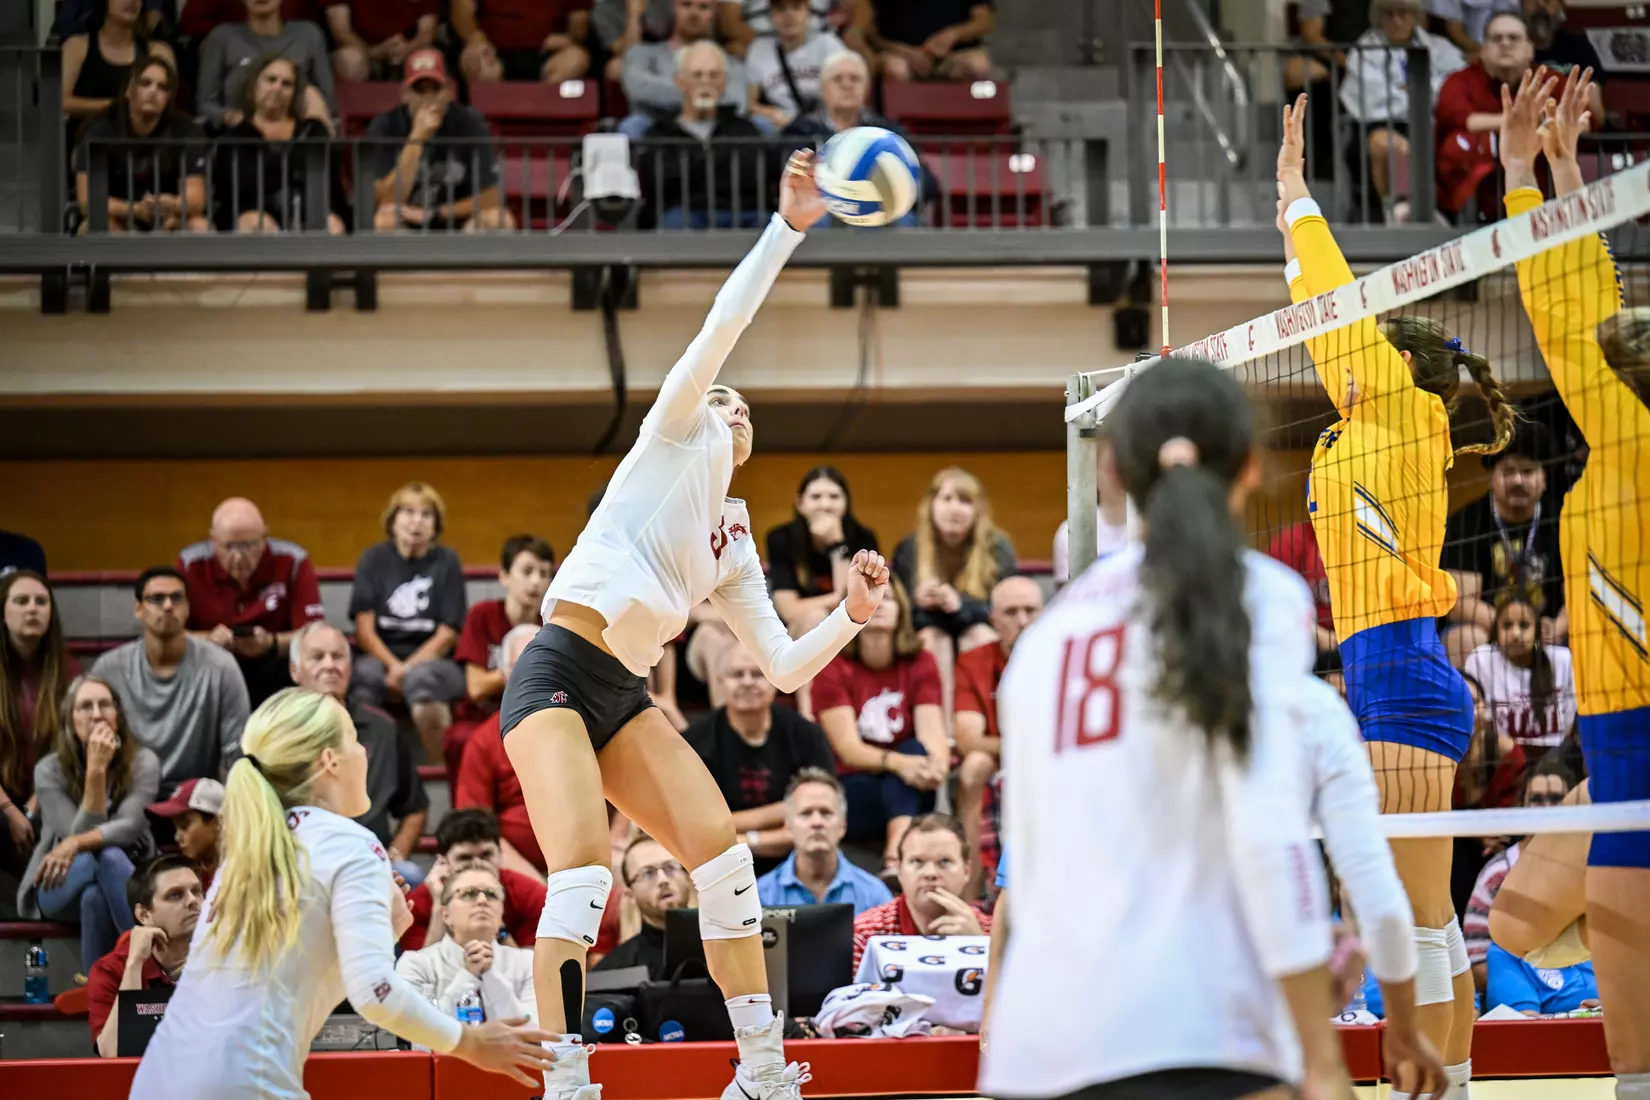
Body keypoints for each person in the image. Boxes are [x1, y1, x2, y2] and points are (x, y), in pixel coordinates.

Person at [498, 153, 879, 1100]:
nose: (733, 401)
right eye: (723, 395)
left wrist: (850, 616)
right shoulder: (670, 434)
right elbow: (726, 322)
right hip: (554, 670)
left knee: (726, 859)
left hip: (622, 692)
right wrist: (788, 227)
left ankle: (759, 1075)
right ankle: (569, 1082)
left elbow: (786, 670)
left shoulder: (733, 537)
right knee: (583, 875)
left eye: (744, 404)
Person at [982, 355, 1357, 1100]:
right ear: (1250, 468)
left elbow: (1022, 880)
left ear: (1113, 473)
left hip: (1039, 1048)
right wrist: (1319, 1049)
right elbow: (1267, 826)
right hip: (1192, 1029)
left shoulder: (1040, 644)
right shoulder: (1259, 597)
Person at [1279, 92, 1516, 1093]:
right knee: (1424, 915)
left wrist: (1295, 196)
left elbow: (1327, 299)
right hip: (1391, 671)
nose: (1341, 364)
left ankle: (1439, 1082)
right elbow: (1323, 314)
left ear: (1389, 362)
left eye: (1358, 354)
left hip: (1406, 675)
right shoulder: (1377, 427)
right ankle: (1453, 1084)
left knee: (1416, 916)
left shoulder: (1397, 407)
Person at [128, 689, 556, 1098]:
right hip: (243, 1083)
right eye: (355, 739)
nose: (364, 753)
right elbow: (376, 993)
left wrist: (383, 934)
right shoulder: (348, 842)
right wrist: (470, 1043)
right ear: (330, 760)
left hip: (160, 1078)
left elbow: (299, 985)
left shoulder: (251, 853)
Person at [1501, 67, 1650, 1097]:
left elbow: (1572, 314)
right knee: (1523, 917)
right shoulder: (1616, 439)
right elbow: (1584, 307)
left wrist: (1527, 180)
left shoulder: (1633, 433)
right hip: (1616, 723)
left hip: (1630, 715)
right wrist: (1555, 172)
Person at [18, 675, 163, 969]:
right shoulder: (49, 770)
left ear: (118, 716)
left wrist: (75, 842)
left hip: (127, 872)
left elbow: (131, 825)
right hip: (59, 881)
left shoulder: (143, 762)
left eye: (104, 705)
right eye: (85, 706)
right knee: (104, 854)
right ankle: (152, 964)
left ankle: (98, 1001)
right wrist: (96, 771)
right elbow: (79, 838)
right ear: (70, 722)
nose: (96, 713)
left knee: (95, 898)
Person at [809, 577, 948, 876]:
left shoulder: (920, 661)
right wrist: (900, 763)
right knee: (904, 764)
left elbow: (933, 737)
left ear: (902, 612)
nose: (880, 605)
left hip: (909, 785)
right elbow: (849, 750)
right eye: (871, 599)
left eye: (888, 599)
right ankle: (897, 856)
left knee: (914, 751)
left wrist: (936, 766)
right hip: (852, 788)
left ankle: (893, 857)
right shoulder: (832, 665)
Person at [291, 621, 430, 886]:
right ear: (295, 670)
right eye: (317, 657)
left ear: (350, 667)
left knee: (410, 875)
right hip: (302, 863)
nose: (329, 665)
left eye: (338, 656)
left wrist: (395, 855)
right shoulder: (279, 732)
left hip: (370, 863)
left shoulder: (382, 728)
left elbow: (415, 808)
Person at [90, 567, 250, 788]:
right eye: (157, 599)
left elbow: (237, 753)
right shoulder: (108, 668)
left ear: (187, 609)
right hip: (128, 796)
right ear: (138, 609)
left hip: (196, 800)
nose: (168, 606)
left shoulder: (221, 667)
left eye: (176, 598)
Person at [683, 643, 836, 873]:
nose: (747, 682)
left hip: (799, 860)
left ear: (775, 681)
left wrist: (744, 837)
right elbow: (696, 825)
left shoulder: (806, 735)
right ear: (720, 682)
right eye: (737, 674)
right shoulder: (694, 741)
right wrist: (787, 810)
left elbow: (824, 812)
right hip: (720, 862)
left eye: (757, 674)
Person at [349, 479, 468, 764]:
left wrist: (407, 669)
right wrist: (393, 666)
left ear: (435, 525)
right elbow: (364, 628)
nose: (417, 522)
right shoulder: (373, 559)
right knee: (362, 678)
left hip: (432, 660)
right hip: (381, 656)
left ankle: (441, 772)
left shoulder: (447, 562)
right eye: (408, 512)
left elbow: (448, 632)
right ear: (393, 520)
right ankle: (366, 768)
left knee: (423, 680)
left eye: (426, 514)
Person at [177, 496, 326, 706]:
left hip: (275, 666)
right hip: (210, 665)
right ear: (213, 540)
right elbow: (172, 635)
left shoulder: (293, 561)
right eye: (228, 547)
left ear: (265, 537)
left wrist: (271, 643)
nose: (238, 557)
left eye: (248, 545)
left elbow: (314, 634)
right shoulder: (190, 564)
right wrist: (209, 640)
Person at [1441, 420, 1565, 666]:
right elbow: (1459, 602)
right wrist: (1511, 627)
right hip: (1489, 630)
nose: (1518, 480)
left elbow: (1579, 591)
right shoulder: (1467, 521)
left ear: (1545, 477)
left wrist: (1557, 627)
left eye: (1528, 471)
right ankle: (1477, 705)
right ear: (1492, 475)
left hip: (1550, 632)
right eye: (1508, 471)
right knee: (1465, 638)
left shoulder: (1563, 519)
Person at [890, 468, 1016, 708]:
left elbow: (1003, 609)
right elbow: (899, 617)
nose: (954, 509)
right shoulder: (910, 549)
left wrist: (959, 604)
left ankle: (978, 721)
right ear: (931, 506)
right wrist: (917, 602)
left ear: (978, 511)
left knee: (979, 636)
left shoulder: (997, 547)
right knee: (932, 638)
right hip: (929, 630)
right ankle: (944, 733)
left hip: (978, 629)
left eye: (965, 501)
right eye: (946, 499)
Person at [954, 575, 1042, 892]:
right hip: (1000, 761)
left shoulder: (1059, 655)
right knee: (974, 764)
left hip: (1048, 758)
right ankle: (972, 888)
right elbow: (968, 739)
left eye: (1031, 610)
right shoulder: (974, 661)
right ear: (993, 619)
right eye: (1011, 612)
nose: (1022, 620)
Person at [366, 49, 513, 232]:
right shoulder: (385, 126)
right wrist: (417, 138)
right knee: (384, 222)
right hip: (406, 221)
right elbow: (385, 201)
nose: (428, 98)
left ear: (450, 91)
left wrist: (437, 213)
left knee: (498, 219)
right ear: (405, 94)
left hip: (456, 220)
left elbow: (492, 195)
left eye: (435, 89)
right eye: (419, 90)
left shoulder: (469, 123)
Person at [456, 625, 555, 877]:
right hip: (513, 870)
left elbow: (627, 791)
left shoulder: (591, 725)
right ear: (505, 675)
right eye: (522, 664)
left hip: (593, 863)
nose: (534, 671)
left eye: (544, 659)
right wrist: (537, 888)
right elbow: (478, 831)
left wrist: (616, 841)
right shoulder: (484, 740)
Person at [639, 41, 769, 230]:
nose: (706, 82)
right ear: (680, 81)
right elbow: (661, 184)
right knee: (674, 223)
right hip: (683, 214)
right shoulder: (659, 133)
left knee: (768, 227)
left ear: (724, 84)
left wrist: (695, 166)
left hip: (740, 213)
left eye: (714, 75)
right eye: (697, 75)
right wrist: (715, 163)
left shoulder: (744, 129)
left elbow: (755, 178)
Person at [212, 55, 349, 234]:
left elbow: (327, 182)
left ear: (294, 93)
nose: (277, 88)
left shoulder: (312, 131)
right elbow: (233, 193)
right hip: (252, 214)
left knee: (332, 225)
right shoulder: (234, 137)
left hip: (308, 211)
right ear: (253, 85)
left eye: (287, 84)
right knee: (257, 224)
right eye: (271, 80)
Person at [74, 56, 211, 234]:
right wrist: (136, 210)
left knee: (200, 226)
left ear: (169, 98)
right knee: (96, 224)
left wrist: (171, 204)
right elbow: (89, 202)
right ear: (129, 90)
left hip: (169, 217)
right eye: (145, 83)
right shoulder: (99, 130)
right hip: (117, 217)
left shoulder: (186, 131)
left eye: (162, 87)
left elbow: (196, 199)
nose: (153, 91)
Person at [1, 570, 78, 877]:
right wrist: (10, 811)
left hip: (49, 792)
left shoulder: (68, 672)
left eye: (41, 602)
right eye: (21, 601)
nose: (32, 608)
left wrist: (32, 808)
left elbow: (66, 749)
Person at [89, 854, 204, 1057]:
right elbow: (111, 1054)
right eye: (175, 895)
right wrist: (135, 964)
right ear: (144, 915)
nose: (193, 901)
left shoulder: (226, 961)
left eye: (196, 891)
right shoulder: (111, 970)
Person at [850, 814, 988, 972]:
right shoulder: (865, 936)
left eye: (944, 862)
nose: (930, 873)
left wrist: (980, 947)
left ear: (966, 871)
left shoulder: (992, 933)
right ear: (900, 871)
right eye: (917, 862)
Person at [397, 864, 537, 1020]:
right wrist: (468, 976)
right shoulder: (416, 964)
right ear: (445, 914)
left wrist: (491, 975)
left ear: (501, 912)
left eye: (492, 895)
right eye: (469, 893)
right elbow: (419, 1033)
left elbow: (532, 1032)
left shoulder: (527, 963)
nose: (483, 901)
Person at [403, 808, 552, 952]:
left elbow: (531, 972)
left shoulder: (531, 894)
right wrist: (439, 905)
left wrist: (496, 926)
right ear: (443, 861)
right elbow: (420, 971)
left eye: (486, 855)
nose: (477, 865)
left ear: (500, 854)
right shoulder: (419, 902)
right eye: (464, 858)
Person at [1433, 11, 1535, 220]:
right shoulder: (1458, 82)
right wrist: (1527, 122)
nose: (1505, 44)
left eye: (1514, 38)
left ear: (1530, 48)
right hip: (1470, 204)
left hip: (1542, 195)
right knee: (1460, 143)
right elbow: (1461, 120)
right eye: (1496, 38)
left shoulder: (1550, 81)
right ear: (1484, 50)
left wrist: (1493, 124)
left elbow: (1584, 121)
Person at [755, 768, 892, 914]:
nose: (817, 822)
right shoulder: (761, 897)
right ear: (788, 826)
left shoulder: (874, 896)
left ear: (843, 826)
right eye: (806, 813)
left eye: (826, 813)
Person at [765, 465, 880, 636]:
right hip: (798, 629)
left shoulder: (863, 538)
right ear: (800, 504)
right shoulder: (781, 538)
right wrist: (836, 600)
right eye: (815, 497)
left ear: (846, 502)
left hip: (853, 626)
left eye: (834, 497)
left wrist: (837, 545)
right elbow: (789, 610)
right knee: (815, 617)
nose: (825, 505)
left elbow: (856, 606)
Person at [1465, 593, 1576, 756]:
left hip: (1554, 758)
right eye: (1507, 625)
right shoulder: (1481, 660)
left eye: (1524, 625)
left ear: (1537, 631)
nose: (1515, 634)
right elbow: (1483, 729)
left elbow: (1569, 728)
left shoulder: (1563, 660)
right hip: (1504, 758)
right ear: (1496, 630)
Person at [197, 0, 335, 128]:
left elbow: (327, 101)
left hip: (296, 137)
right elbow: (206, 104)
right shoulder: (221, 37)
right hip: (239, 137)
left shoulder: (309, 34)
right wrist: (230, 117)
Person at [591, 835, 694, 979]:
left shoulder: (725, 945)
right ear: (629, 894)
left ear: (688, 877)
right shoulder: (614, 972)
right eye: (648, 873)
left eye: (670, 867)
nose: (662, 880)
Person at [61, 0, 177, 127]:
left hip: (141, 140)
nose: (133, 2)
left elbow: (168, 103)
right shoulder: (77, 46)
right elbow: (61, 102)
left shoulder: (158, 51)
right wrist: (118, 105)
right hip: (86, 139)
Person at [745, 0, 845, 131]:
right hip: (784, 130)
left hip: (828, 126)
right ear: (771, 15)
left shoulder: (829, 44)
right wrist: (774, 114)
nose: (789, 15)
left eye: (796, 8)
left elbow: (846, 90)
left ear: (808, 12)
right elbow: (751, 104)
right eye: (780, 9)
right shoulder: (759, 49)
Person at [453, 0, 592, 86]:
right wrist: (475, 38)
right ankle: (490, 126)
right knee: (474, 59)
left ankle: (541, 113)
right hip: (493, 49)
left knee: (576, 59)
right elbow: (462, 7)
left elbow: (579, 22)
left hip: (547, 51)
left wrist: (568, 38)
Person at [328, 0, 438, 82]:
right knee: (349, 61)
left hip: (406, 50)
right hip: (361, 50)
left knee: (429, 59)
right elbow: (341, 30)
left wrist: (407, 48)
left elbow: (426, 33)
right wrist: (373, 52)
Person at [146, 777, 224, 890]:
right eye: (175, 827)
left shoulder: (244, 872)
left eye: (185, 825)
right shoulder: (191, 874)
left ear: (217, 822)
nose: (177, 837)